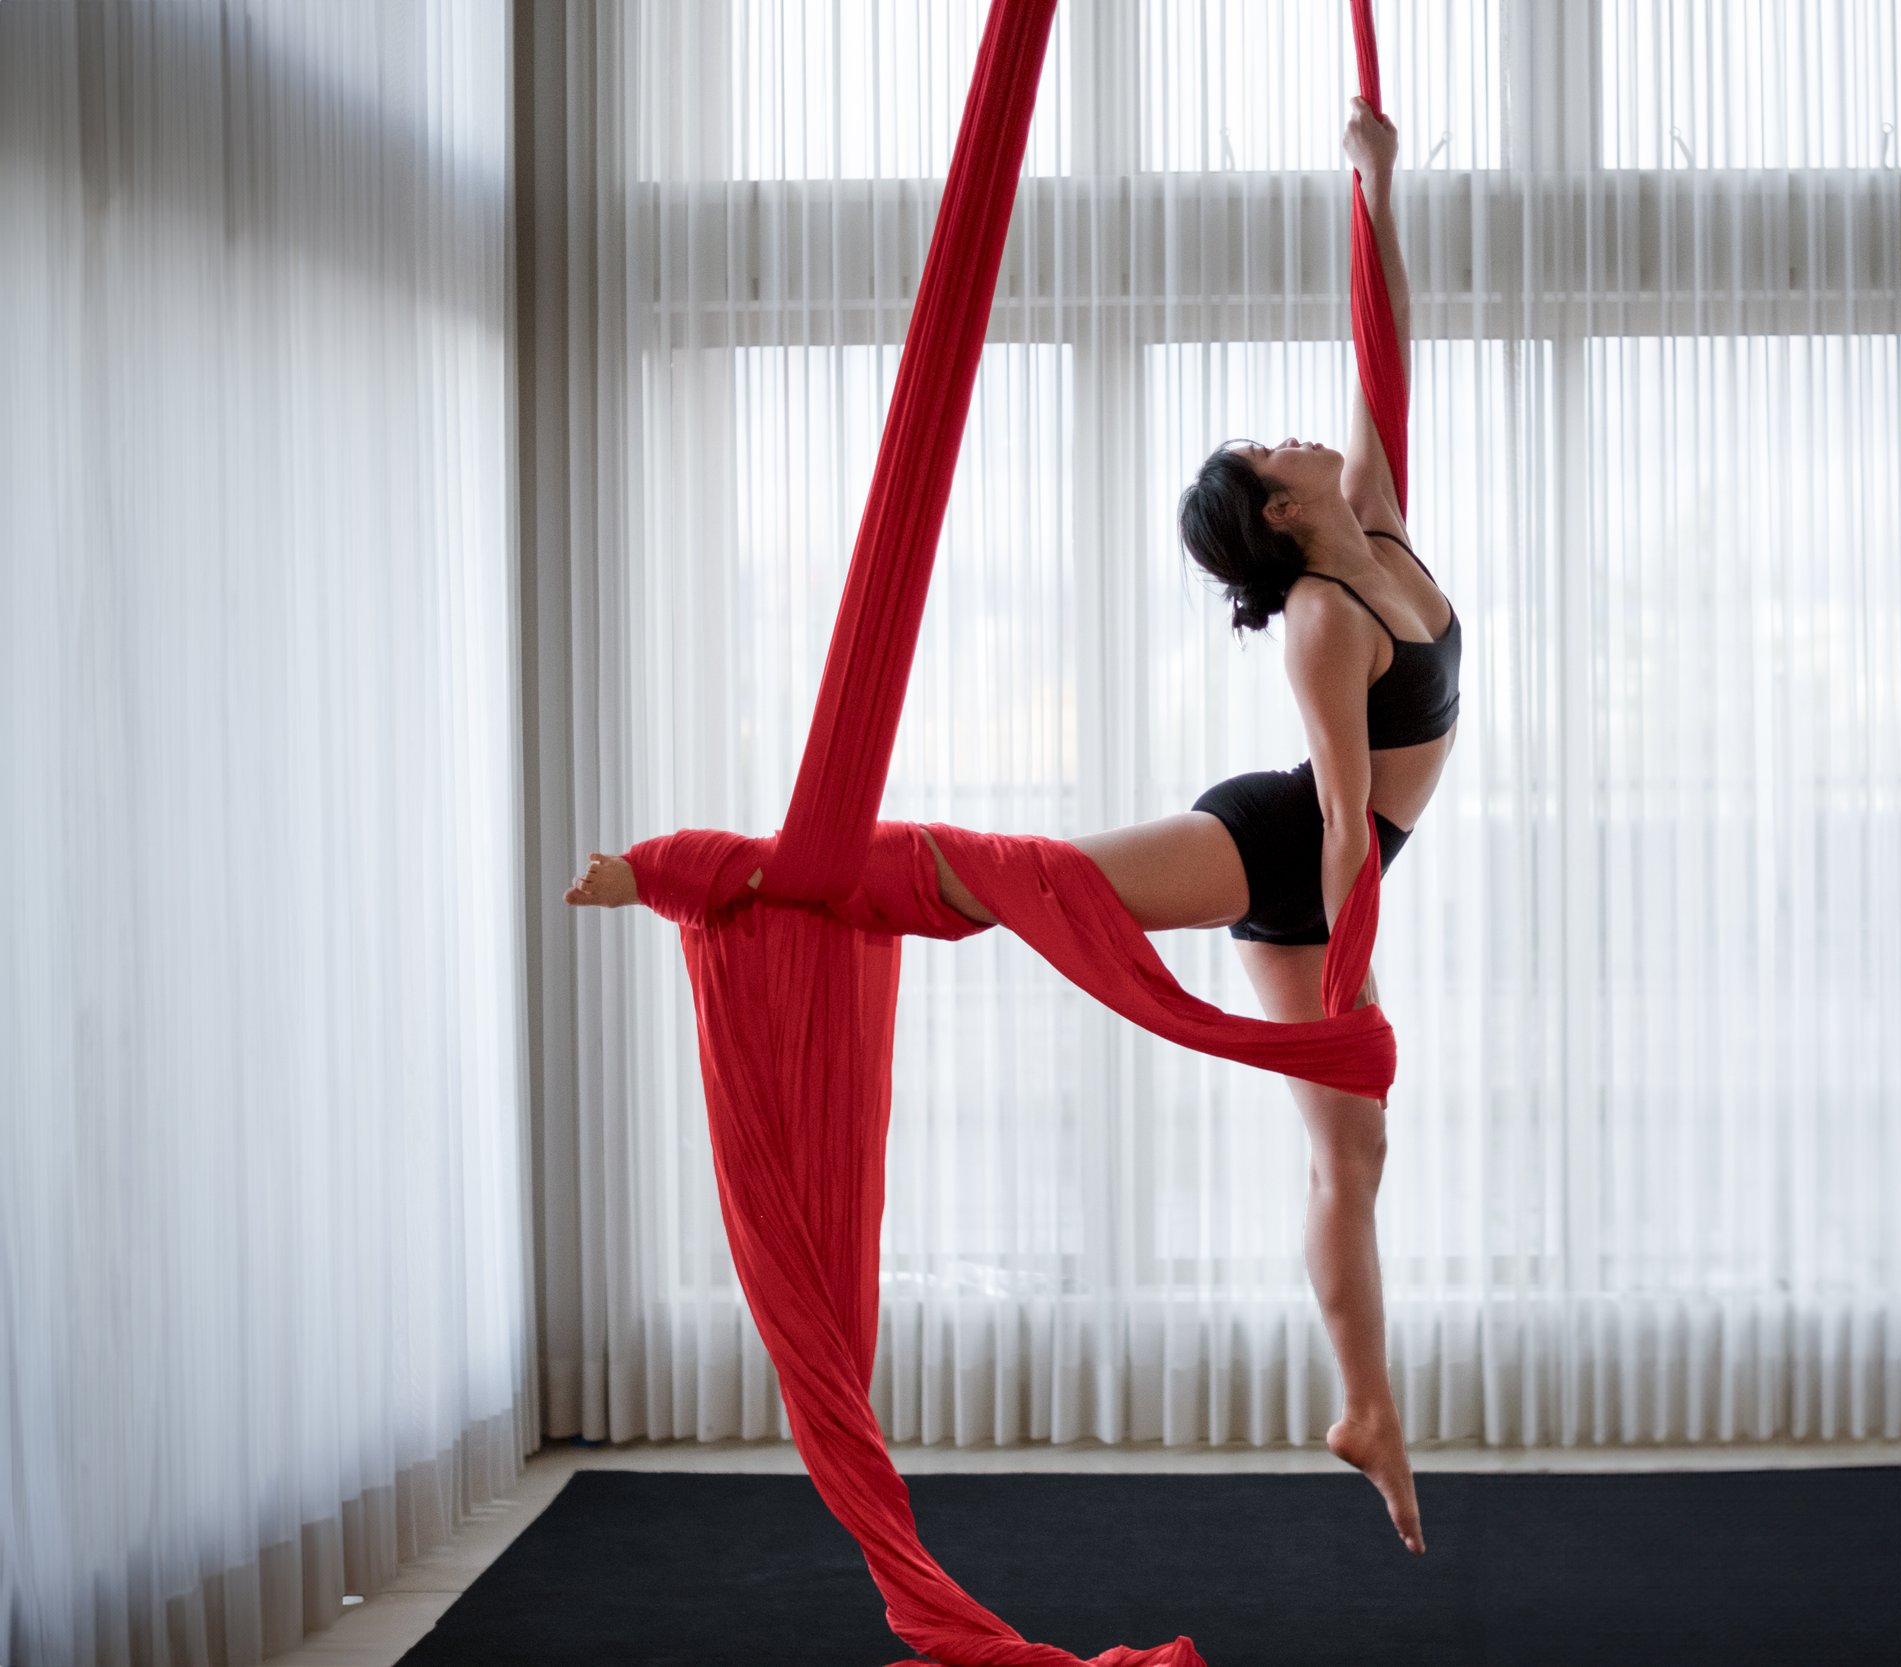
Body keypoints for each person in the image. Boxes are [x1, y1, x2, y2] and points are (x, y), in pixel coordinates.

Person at [566, 97, 1444, 1557]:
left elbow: (1383, 355)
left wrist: (1377, 185)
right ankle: (703, 869)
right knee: (1009, 885)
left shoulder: (1380, 528)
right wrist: (1343, 996)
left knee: (1351, 1162)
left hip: (1337, 865)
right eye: (1276, 450)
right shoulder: (1319, 616)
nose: (1300, 435)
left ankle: (1367, 1414)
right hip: (1282, 847)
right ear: (1280, 517)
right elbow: (1345, 823)